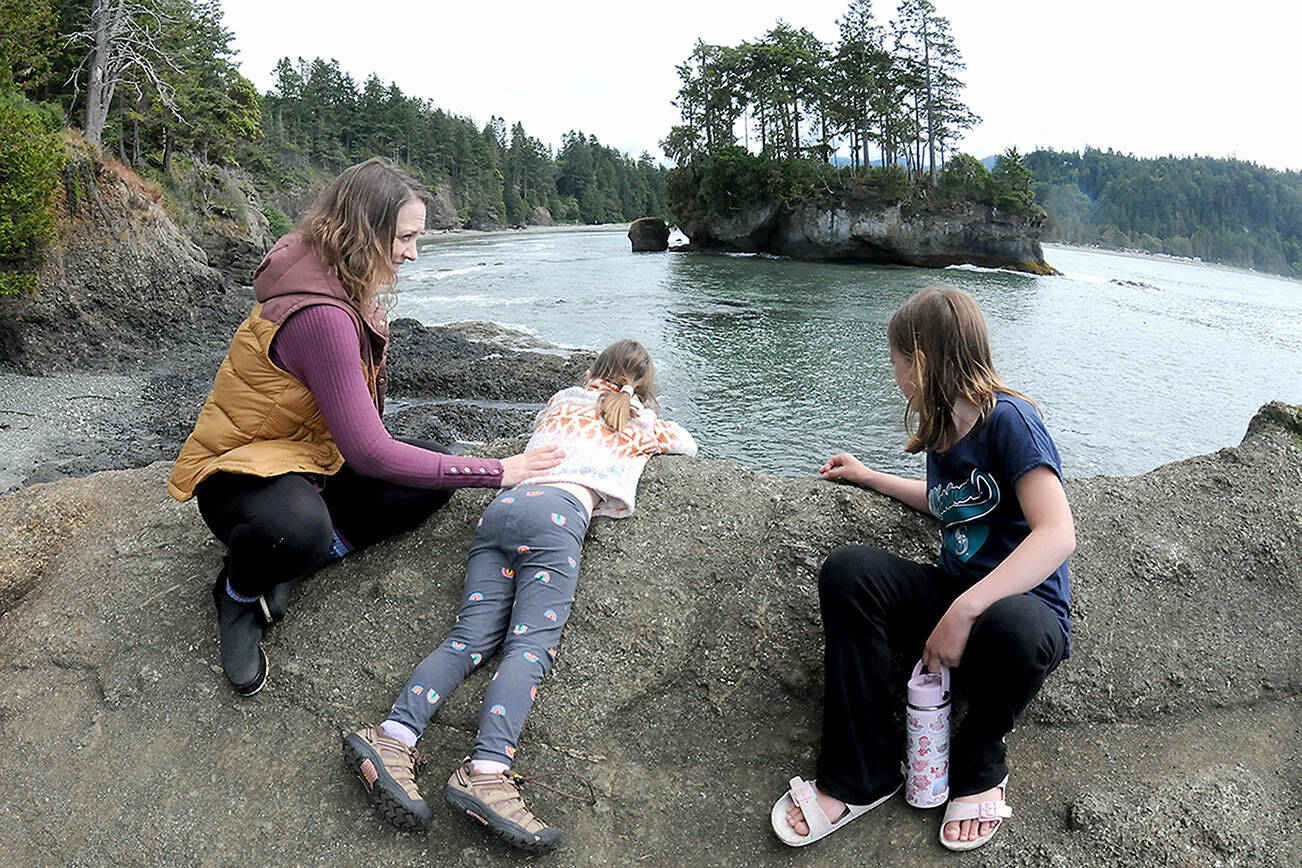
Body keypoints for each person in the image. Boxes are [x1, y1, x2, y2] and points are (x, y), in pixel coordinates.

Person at [168, 158, 563, 697]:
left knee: (434, 476)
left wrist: (457, 470)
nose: (412, 253)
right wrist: (498, 470)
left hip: (308, 460)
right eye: (405, 237)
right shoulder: (322, 314)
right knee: (297, 530)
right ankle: (237, 596)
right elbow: (371, 451)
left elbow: (360, 436)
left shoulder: (337, 278)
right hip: (239, 473)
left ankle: (298, 564)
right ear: (364, 229)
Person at [342, 339, 696, 853]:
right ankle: (486, 770)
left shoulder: (561, 400)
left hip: (502, 509)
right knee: (528, 648)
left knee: (468, 639)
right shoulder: (637, 423)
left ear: (593, 371)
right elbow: (685, 442)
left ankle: (394, 737)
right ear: (644, 387)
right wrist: (642, 411)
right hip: (557, 518)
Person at [770, 286, 1075, 852]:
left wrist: (965, 609)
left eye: (897, 361)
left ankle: (981, 762)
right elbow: (949, 504)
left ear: (923, 362)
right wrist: (870, 476)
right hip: (954, 594)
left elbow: (1057, 533)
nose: (895, 375)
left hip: (1016, 612)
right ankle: (864, 773)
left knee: (1020, 630)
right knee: (848, 571)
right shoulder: (942, 430)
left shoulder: (1011, 420)